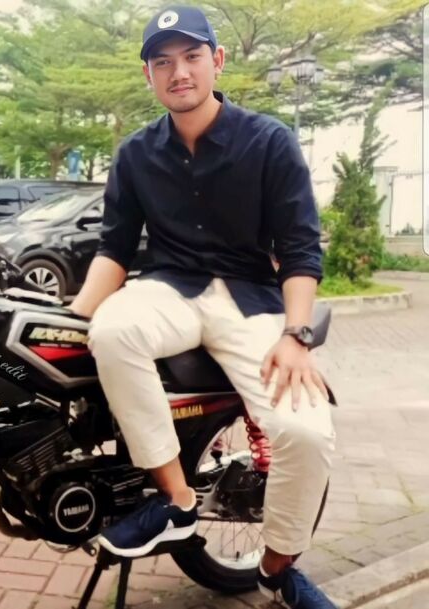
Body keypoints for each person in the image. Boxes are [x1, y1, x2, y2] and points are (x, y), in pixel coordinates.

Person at [69, 5, 337, 608]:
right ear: (149, 75)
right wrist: (76, 316)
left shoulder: (269, 141)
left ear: (217, 60)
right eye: (163, 62)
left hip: (252, 300)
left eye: (191, 56)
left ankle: (278, 568)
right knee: (111, 331)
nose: (179, 72)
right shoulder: (135, 153)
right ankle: (176, 501)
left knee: (306, 432)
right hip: (170, 289)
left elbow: (300, 248)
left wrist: (297, 334)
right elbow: (114, 251)